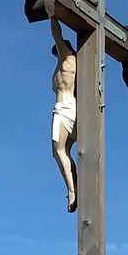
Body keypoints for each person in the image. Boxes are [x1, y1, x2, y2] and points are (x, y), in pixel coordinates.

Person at [49, 17, 79, 213]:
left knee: (59, 151)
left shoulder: (67, 58)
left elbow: (56, 34)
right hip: (70, 107)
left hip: (64, 107)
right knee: (62, 151)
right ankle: (74, 187)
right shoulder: (73, 63)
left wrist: (53, 14)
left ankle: (72, 190)